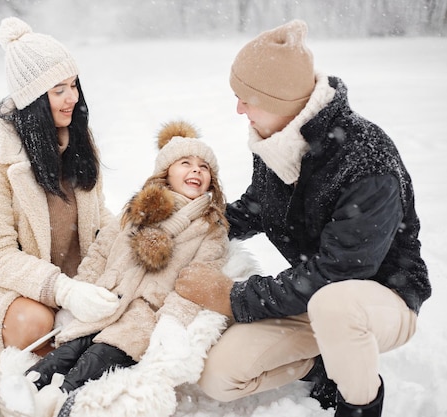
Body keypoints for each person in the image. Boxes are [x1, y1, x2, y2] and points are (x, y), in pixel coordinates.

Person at [175, 19, 431, 417]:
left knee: (337, 305)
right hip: (315, 298)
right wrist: (183, 224)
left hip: (379, 300)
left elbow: (340, 273)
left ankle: (358, 403)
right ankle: (326, 361)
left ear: (280, 100)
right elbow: (255, 208)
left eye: (246, 98)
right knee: (219, 377)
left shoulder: (365, 160)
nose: (238, 108)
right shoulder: (276, 142)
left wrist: (231, 296)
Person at [0, 120, 231, 417]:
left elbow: (199, 281)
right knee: (67, 351)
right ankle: (20, 391)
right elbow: (101, 251)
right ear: (166, 171)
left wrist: (171, 322)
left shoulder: (211, 228)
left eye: (204, 167)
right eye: (185, 162)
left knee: (96, 358)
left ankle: (53, 403)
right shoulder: (139, 211)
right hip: (105, 302)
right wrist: (82, 291)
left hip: (142, 316)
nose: (196, 170)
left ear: (212, 181)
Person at [0, 16, 119, 380]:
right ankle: (44, 380)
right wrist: (63, 290)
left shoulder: (76, 139)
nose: (72, 97)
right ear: (33, 99)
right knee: (36, 320)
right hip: (6, 288)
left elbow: (97, 217)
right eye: (59, 90)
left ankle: (79, 366)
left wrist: (132, 239)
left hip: (76, 277)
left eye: (73, 85)